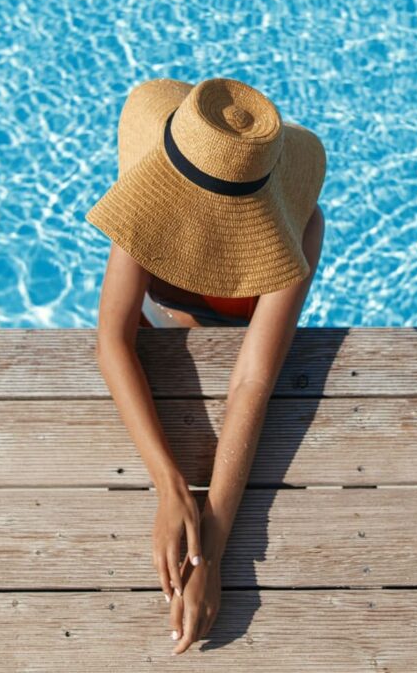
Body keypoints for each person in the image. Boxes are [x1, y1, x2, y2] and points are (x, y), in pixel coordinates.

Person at [85, 76, 327, 654]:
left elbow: (251, 380)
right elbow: (113, 340)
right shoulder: (150, 188)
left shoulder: (300, 225)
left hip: (237, 347)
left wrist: (210, 549)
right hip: (154, 331)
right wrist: (170, 486)